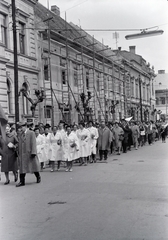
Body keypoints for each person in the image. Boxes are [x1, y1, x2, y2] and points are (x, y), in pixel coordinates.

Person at [16, 122, 41, 187]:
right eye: (20, 127)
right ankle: (22, 181)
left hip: (29, 153)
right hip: (22, 153)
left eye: (22, 127)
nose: (21, 129)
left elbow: (33, 143)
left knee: (33, 166)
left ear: (25, 126)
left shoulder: (31, 133)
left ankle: (38, 176)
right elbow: (19, 143)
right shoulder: (20, 134)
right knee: (22, 168)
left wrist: (33, 152)